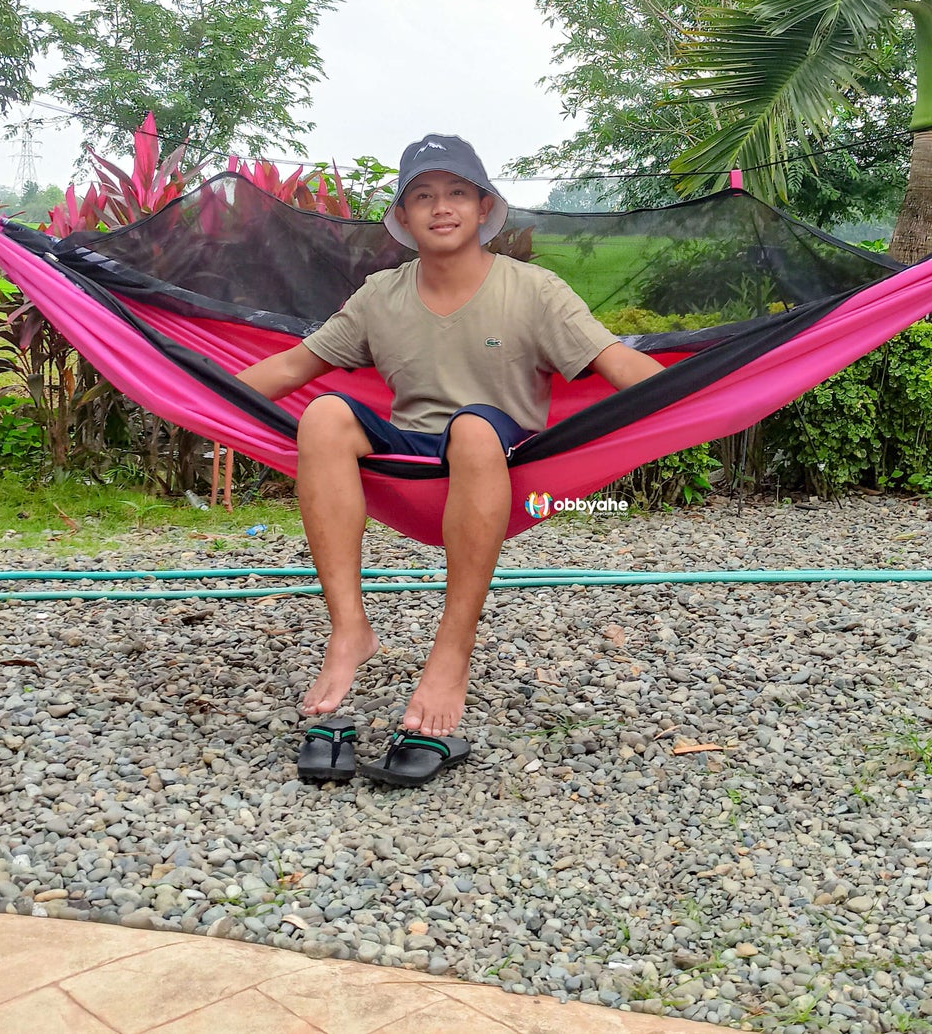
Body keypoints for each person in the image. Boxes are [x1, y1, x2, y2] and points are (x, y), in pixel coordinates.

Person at [237, 134, 662, 743]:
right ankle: (349, 627)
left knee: (471, 427)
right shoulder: (380, 295)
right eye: (424, 195)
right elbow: (288, 370)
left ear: (483, 208)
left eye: (458, 193)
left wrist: (700, 396)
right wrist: (184, 391)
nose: (442, 207)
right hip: (410, 454)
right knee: (323, 415)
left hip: (504, 455)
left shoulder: (534, 292)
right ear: (404, 216)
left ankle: (451, 651)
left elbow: (616, 363)